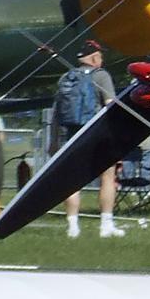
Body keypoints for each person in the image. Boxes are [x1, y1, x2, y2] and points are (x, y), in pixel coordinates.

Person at [58, 40, 123, 238]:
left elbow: (56, 113)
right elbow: (110, 106)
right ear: (94, 57)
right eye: (100, 55)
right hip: (97, 134)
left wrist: (53, 141)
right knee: (107, 178)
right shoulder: (101, 76)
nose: (101, 59)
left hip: (72, 134)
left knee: (72, 182)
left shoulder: (65, 78)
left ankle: (72, 226)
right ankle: (106, 224)